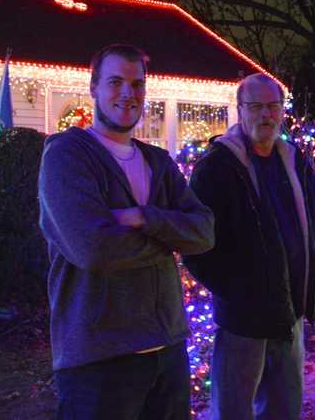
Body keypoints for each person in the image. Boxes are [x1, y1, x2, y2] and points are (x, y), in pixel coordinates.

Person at [38, 44, 214, 420]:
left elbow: (204, 232)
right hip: (99, 356)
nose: (128, 93)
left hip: (167, 350)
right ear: (94, 88)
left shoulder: (158, 161)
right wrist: (169, 240)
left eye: (137, 84)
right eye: (115, 81)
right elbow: (93, 248)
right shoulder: (67, 155)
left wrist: (143, 217)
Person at [183, 73, 315, 420]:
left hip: (290, 314)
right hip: (243, 322)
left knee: (284, 408)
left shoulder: (295, 161)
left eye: (273, 106)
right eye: (256, 106)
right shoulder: (217, 167)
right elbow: (196, 245)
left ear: (282, 111)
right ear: (240, 110)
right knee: (234, 411)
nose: (265, 114)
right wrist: (237, 293)